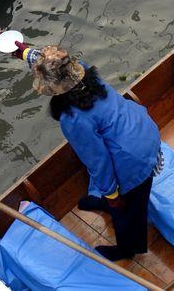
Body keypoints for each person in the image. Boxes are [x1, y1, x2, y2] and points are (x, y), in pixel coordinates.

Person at [17, 44, 162, 261]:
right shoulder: (86, 74)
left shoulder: (74, 119)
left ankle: (128, 248)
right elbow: (52, 64)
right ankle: (109, 201)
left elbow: (98, 160)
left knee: (128, 209)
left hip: (132, 159)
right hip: (143, 130)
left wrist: (111, 195)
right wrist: (22, 51)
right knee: (121, 197)